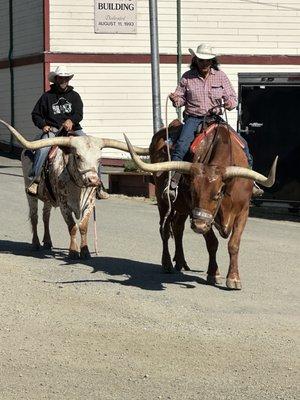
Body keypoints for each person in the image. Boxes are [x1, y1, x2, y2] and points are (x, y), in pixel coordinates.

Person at [166, 43, 263, 200]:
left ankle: (251, 182)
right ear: (195, 60)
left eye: (207, 61)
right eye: (201, 60)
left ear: (212, 61)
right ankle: (173, 182)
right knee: (181, 146)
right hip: (193, 118)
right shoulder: (187, 77)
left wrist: (229, 104)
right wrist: (175, 99)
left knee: (243, 144)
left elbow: (232, 98)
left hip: (215, 119)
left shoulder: (221, 76)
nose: (204, 64)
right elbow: (180, 99)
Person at [28, 65, 109, 199]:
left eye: (66, 78)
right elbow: (35, 114)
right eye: (61, 78)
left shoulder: (74, 96)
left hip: (74, 131)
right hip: (54, 131)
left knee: (93, 149)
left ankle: (99, 186)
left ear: (69, 79)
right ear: (56, 79)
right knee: (43, 150)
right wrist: (43, 125)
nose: (63, 81)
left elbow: (79, 114)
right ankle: (35, 180)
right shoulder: (47, 96)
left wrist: (72, 120)